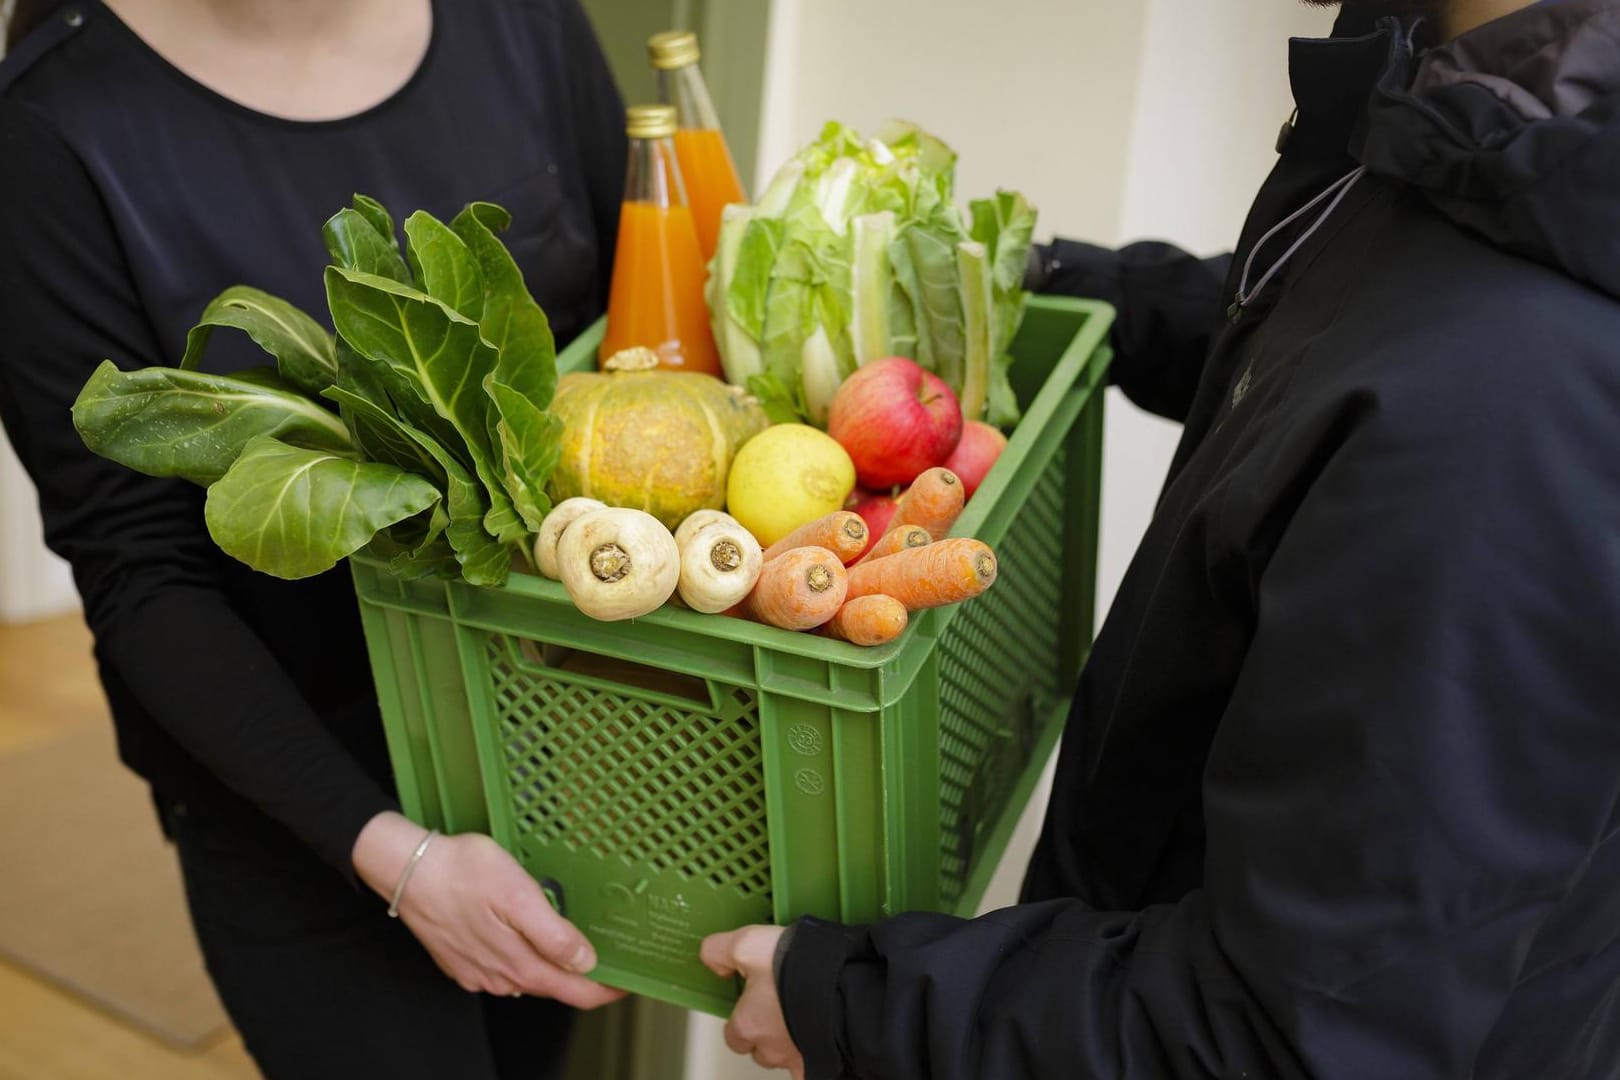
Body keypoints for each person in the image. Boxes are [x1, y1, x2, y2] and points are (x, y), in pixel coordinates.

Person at [702, 0, 1620, 1076]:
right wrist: (1054, 285)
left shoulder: (1512, 411)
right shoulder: (1473, 115)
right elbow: (1334, 332)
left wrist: (853, 1006)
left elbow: (1281, 1036)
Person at [0, 1, 628, 1077]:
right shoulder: (51, 134)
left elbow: (643, 339)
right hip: (298, 791)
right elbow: (140, 572)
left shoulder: (523, 21)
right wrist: (400, 856)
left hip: (555, 739)